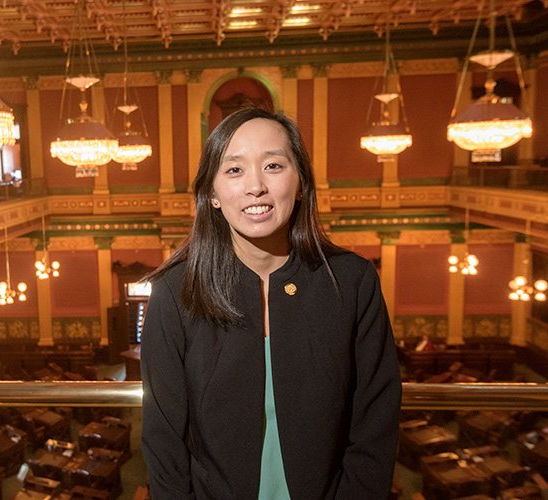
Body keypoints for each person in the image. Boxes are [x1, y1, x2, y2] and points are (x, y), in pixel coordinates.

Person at [140, 108, 401, 499]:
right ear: (211, 194)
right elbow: (164, 442)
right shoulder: (174, 292)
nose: (255, 187)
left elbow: (375, 424)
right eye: (234, 170)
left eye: (274, 165)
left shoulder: (352, 281)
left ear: (300, 184)